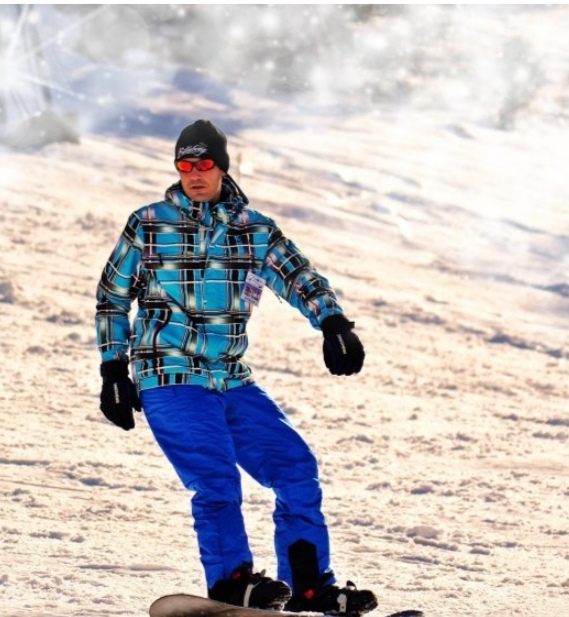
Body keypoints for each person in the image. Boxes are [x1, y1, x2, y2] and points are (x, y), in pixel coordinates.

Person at [95, 119, 376, 615]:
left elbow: (298, 275)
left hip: (230, 378)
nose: (194, 172)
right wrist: (113, 370)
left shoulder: (254, 230)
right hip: (170, 376)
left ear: (222, 167)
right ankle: (230, 583)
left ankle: (308, 584)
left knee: (295, 469)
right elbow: (113, 298)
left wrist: (333, 322)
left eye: (204, 163)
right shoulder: (148, 223)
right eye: (185, 164)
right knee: (217, 480)